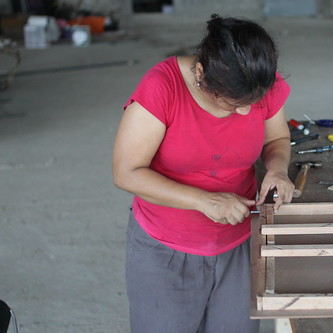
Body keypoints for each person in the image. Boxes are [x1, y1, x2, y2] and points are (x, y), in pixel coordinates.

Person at [112, 14, 294, 333]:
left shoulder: (258, 81)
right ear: (200, 74)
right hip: (166, 244)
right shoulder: (162, 87)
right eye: (231, 104)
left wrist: (278, 169)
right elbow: (127, 173)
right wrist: (204, 201)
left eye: (251, 104)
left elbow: (276, 138)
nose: (243, 113)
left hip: (238, 241)